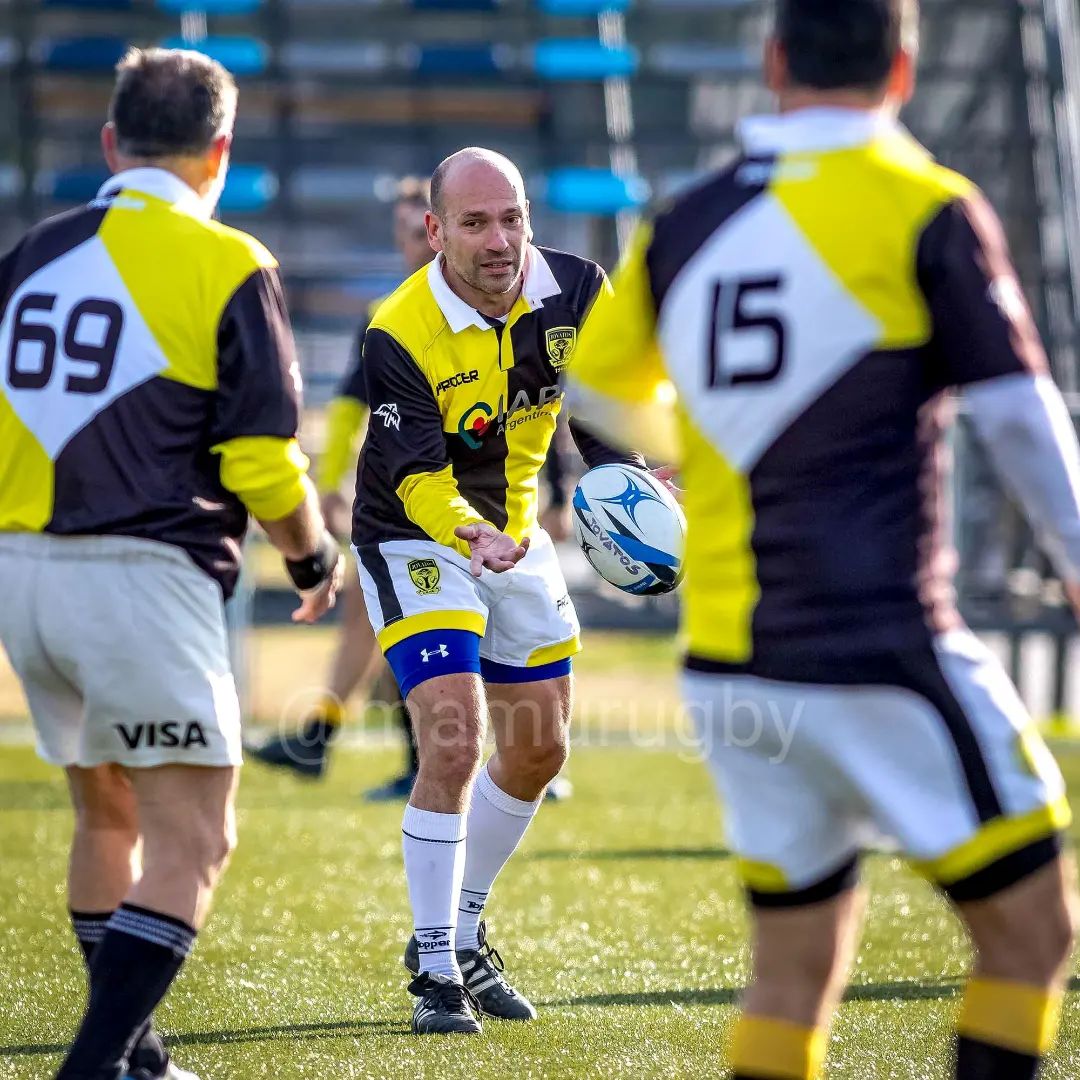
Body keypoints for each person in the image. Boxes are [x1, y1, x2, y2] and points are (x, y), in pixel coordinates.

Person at [567, 2, 1078, 1078]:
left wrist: (712, 464)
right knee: (1035, 938)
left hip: (729, 659)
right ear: (902, 67)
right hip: (878, 644)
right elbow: (1023, 421)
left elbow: (601, 397)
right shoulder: (924, 205)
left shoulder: (687, 220)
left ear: (772, 60)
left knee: (793, 968)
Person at [0, 48, 343, 1080]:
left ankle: (137, 1057)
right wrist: (314, 553)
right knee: (195, 839)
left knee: (105, 812)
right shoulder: (229, 260)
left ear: (111, 143)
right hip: (140, 577)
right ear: (220, 152)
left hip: (23, 575)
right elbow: (257, 457)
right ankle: (94, 1067)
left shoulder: (26, 255)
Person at [353, 146, 649, 1033]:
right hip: (417, 536)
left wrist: (631, 484)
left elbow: (597, 414)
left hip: (515, 537)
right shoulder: (397, 327)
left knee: (540, 751)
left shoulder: (576, 288)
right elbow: (410, 474)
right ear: (435, 231)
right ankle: (436, 968)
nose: (499, 239)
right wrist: (464, 533)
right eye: (475, 223)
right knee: (454, 735)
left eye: (512, 217)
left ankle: (467, 927)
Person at [250, 178, 432, 799]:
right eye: (410, 234)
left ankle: (329, 742)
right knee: (381, 612)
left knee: (408, 619)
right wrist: (330, 487)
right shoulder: (388, 314)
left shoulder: (494, 309)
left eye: (427, 229)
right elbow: (354, 404)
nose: (421, 246)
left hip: (474, 502)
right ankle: (333, 742)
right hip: (410, 497)